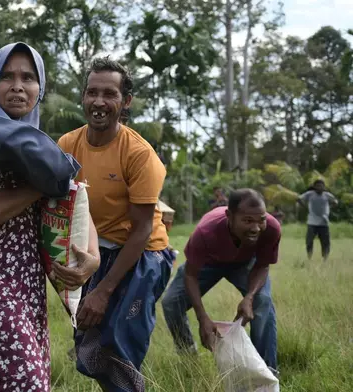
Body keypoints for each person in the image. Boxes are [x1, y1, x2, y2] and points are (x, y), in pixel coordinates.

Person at [0, 42, 100, 392]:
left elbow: (72, 196)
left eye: (28, 77)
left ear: (40, 88)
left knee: (18, 373)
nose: (17, 85)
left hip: (21, 274)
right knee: (20, 377)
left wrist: (93, 258)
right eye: (7, 76)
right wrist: (39, 187)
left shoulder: (37, 143)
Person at [58, 56, 172, 392]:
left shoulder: (139, 154)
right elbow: (59, 209)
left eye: (109, 94)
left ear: (125, 102)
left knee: (120, 349)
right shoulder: (68, 145)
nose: (99, 102)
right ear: (83, 96)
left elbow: (141, 231)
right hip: (97, 250)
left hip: (143, 254)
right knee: (91, 348)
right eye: (92, 92)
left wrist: (104, 291)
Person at [161, 189, 280, 374]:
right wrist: (202, 318)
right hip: (209, 263)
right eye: (248, 221)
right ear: (229, 216)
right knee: (171, 302)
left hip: (245, 263)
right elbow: (191, 274)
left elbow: (263, 266)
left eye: (261, 220)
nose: (256, 228)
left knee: (262, 302)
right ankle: (189, 358)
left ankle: (267, 371)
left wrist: (249, 297)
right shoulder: (206, 231)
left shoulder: (271, 229)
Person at [298, 179, 338, 262]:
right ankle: (309, 257)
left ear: (324, 187)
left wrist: (329, 208)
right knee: (309, 241)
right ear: (314, 187)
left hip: (324, 222)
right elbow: (299, 199)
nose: (319, 187)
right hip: (312, 222)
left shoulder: (327, 195)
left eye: (321, 186)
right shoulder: (310, 194)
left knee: (325, 242)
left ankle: (325, 259)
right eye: (318, 186)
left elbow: (335, 202)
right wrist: (305, 206)